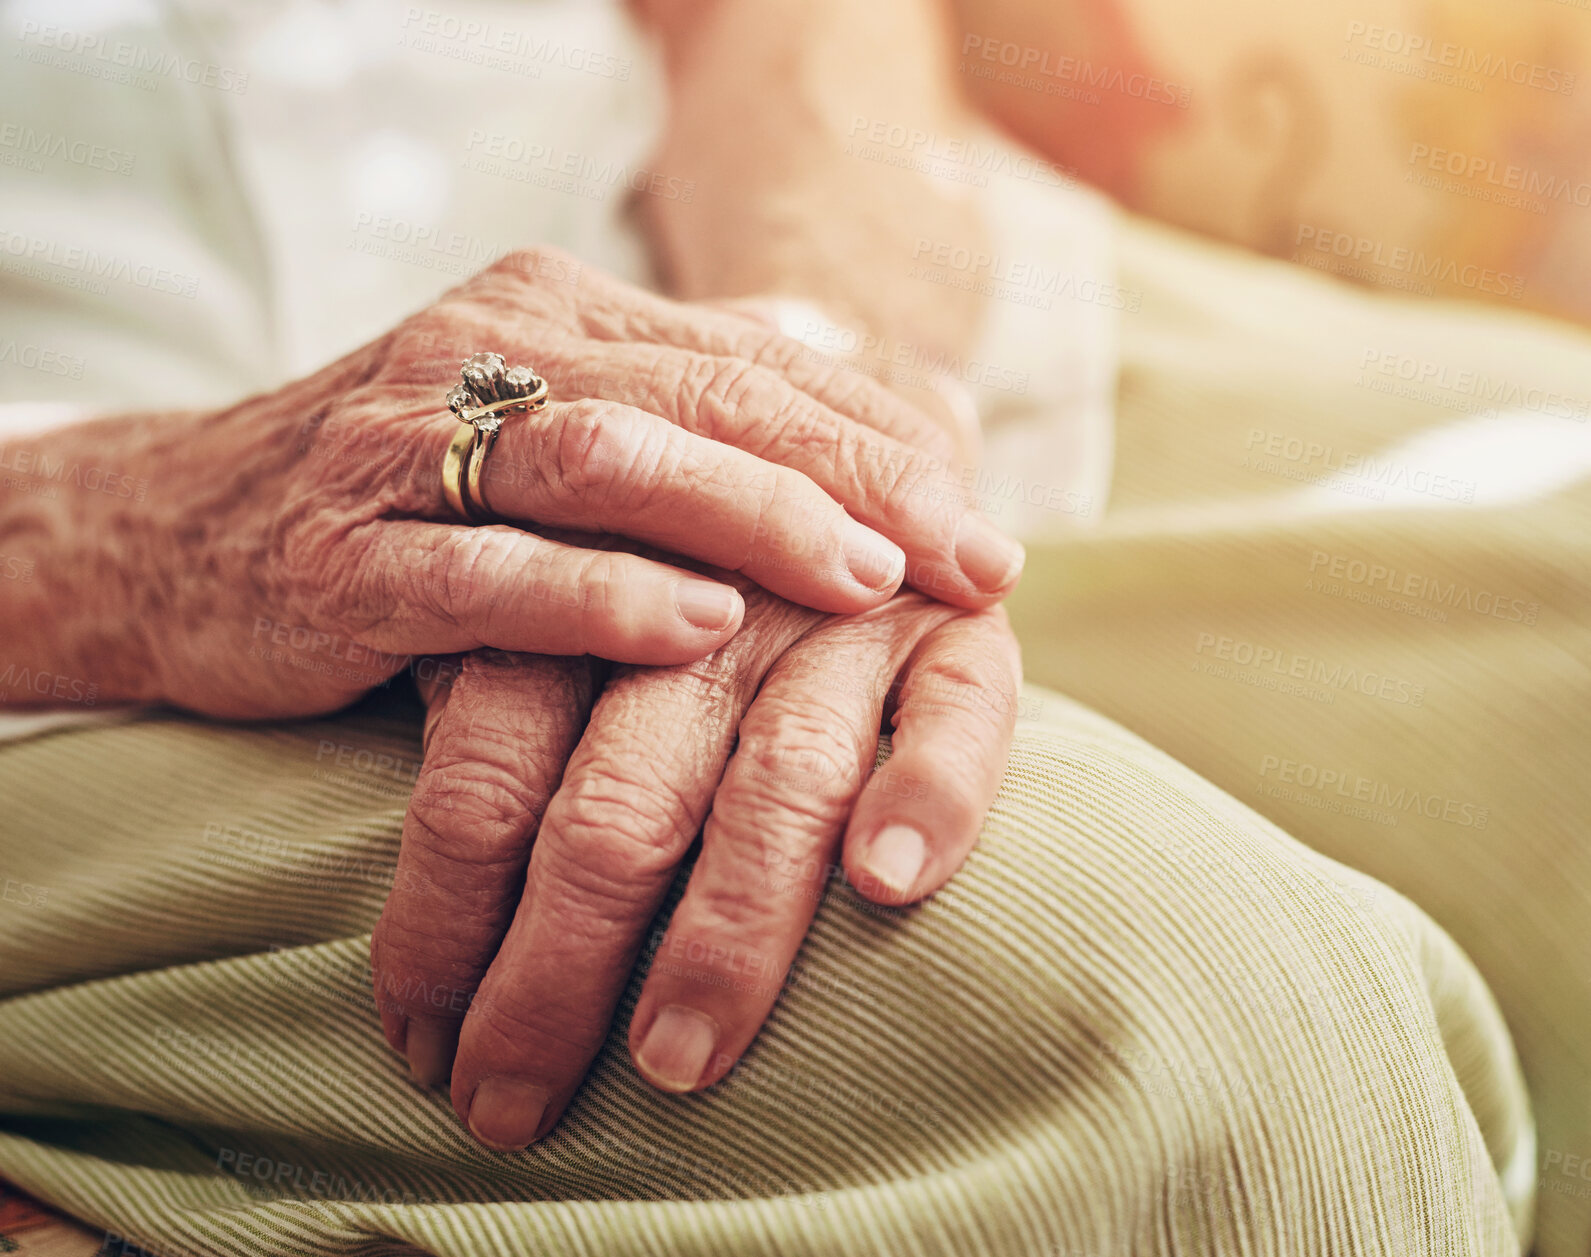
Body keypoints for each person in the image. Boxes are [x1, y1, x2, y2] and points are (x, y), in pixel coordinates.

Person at [4, 0, 1587, 1254]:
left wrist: (827, 378)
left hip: (790, 248)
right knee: (1204, 1038)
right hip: (94, 586)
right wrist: (126, 529)